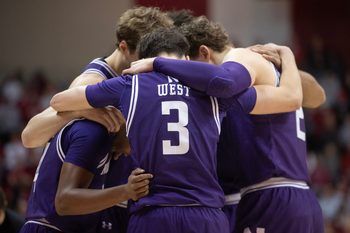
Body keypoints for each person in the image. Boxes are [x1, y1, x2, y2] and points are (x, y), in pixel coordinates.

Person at [48, 27, 270, 233]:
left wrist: (94, 112)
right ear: (186, 59)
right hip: (204, 214)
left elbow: (59, 101)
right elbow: (277, 97)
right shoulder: (213, 90)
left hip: (152, 214)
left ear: (142, 61)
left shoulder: (129, 85)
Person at [129, 16, 324, 233]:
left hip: (269, 196)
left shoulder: (236, 67)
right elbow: (317, 96)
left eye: (190, 68)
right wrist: (287, 57)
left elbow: (291, 97)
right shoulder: (275, 68)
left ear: (204, 53)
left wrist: (158, 64)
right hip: (303, 196)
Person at [20, 6, 173, 233]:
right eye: (144, 57)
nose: (147, 65)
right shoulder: (91, 81)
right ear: (123, 46)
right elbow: (29, 137)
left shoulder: (136, 82)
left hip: (94, 209)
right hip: (57, 217)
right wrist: (79, 111)